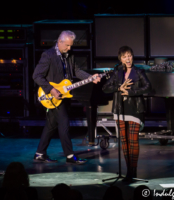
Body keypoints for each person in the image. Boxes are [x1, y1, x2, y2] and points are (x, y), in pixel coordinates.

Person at [33, 30, 101, 164]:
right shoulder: (48, 55)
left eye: (71, 46)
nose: (69, 48)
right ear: (59, 42)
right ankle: (70, 156)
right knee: (64, 125)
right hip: (53, 96)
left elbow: (76, 70)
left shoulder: (69, 55)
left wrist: (90, 77)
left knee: (51, 125)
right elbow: (36, 75)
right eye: (67, 45)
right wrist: (51, 90)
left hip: (64, 96)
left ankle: (40, 153)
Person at [102, 46, 151, 183]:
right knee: (124, 141)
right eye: (125, 57)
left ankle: (133, 171)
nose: (128, 59)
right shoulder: (117, 72)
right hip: (120, 109)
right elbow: (105, 88)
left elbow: (148, 87)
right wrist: (119, 88)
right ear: (121, 59)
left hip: (135, 109)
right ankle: (128, 170)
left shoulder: (138, 71)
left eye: (129, 56)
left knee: (133, 140)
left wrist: (131, 92)